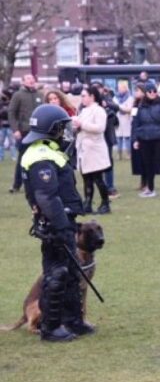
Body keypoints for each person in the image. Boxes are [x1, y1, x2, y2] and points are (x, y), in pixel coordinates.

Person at [20, 105, 92, 341]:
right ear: (51, 129)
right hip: (55, 225)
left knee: (71, 273)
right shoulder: (40, 156)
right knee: (56, 274)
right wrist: (60, 227)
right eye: (61, 127)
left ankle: (73, 320)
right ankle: (50, 327)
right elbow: (46, 197)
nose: (65, 131)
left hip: (63, 221)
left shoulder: (49, 151)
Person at [73, 86, 113, 215]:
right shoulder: (83, 111)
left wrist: (81, 125)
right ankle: (88, 203)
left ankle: (105, 203)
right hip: (83, 148)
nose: (82, 98)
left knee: (97, 178)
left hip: (95, 149)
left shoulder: (99, 110)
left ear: (92, 96)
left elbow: (100, 128)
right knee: (86, 178)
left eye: (84, 96)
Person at [132, 81, 160, 198]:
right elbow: (136, 123)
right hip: (144, 138)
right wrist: (135, 139)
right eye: (150, 91)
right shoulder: (140, 107)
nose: (152, 93)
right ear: (146, 93)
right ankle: (150, 188)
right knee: (147, 164)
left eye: (154, 91)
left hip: (159, 138)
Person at [8, 74, 44, 193]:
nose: (31, 80)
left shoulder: (39, 95)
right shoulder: (18, 95)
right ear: (22, 81)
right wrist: (15, 129)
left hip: (38, 131)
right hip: (24, 132)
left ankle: (38, 183)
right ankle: (16, 185)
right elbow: (11, 113)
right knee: (23, 159)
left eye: (33, 78)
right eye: (28, 79)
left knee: (39, 158)